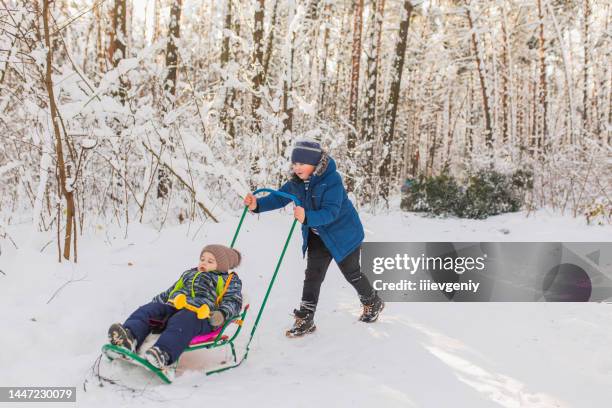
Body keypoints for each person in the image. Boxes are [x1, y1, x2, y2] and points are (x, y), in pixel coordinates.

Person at [244, 139, 384, 337]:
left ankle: (372, 301)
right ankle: (306, 317)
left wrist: (307, 216)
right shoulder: (297, 183)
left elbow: (331, 212)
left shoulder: (332, 180)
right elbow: (279, 197)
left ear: (315, 164)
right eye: (295, 163)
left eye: (302, 163)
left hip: (344, 235)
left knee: (351, 273)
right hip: (317, 236)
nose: (297, 167)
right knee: (312, 277)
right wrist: (256, 205)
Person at [107, 244, 242, 368]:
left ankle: (163, 353)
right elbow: (171, 291)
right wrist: (155, 303)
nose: (204, 263)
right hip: (174, 307)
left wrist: (222, 314)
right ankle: (129, 338)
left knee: (183, 320)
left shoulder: (227, 280)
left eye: (210, 261)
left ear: (222, 266)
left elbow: (234, 301)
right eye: (202, 259)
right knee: (150, 310)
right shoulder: (190, 273)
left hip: (200, 316)